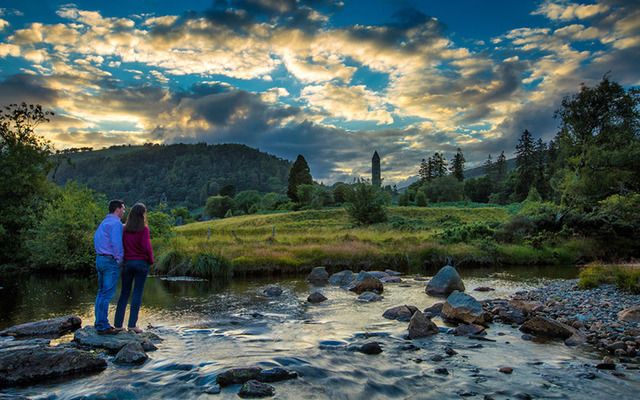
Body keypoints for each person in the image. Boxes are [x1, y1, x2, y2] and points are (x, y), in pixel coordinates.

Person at [114, 203, 154, 334]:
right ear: (142, 214)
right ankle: (132, 325)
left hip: (127, 263)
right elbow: (147, 247)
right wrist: (151, 261)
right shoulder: (144, 229)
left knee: (124, 293)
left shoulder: (124, 229)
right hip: (141, 263)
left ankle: (118, 325)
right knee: (137, 293)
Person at [93, 199, 125, 335]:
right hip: (109, 260)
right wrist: (120, 260)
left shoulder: (104, 222)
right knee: (107, 294)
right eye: (123, 209)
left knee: (101, 293)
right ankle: (103, 326)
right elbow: (116, 243)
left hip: (99, 259)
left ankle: (99, 323)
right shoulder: (115, 223)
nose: (124, 211)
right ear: (117, 209)